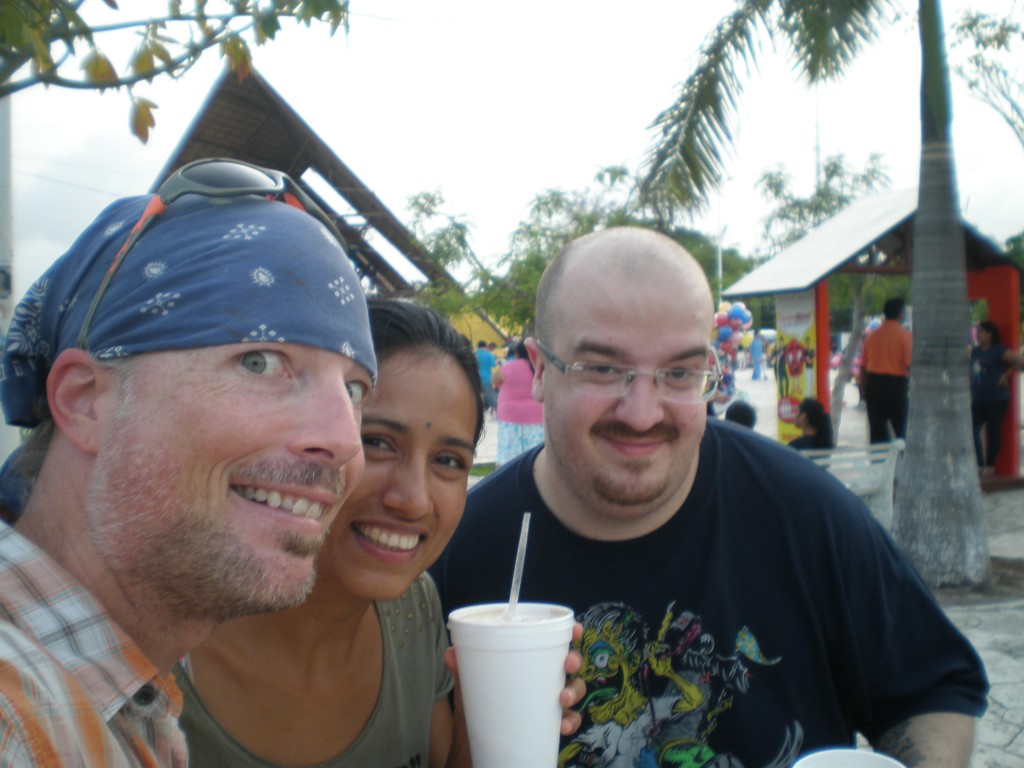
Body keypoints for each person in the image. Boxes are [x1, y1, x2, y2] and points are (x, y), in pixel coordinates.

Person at [431, 227, 987, 768]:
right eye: (602, 368)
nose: (642, 413)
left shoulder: (803, 513)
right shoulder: (458, 546)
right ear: (540, 370)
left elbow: (931, 688)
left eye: (679, 372)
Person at [0, 159, 377, 765]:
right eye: (261, 362)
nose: (344, 440)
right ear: (84, 401)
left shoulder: (120, 697)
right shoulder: (15, 726)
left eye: (355, 390)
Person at [175, 298, 584, 768]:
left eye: (448, 461)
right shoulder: (157, 661)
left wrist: (489, 727)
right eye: (376, 442)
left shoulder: (413, 610)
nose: (413, 500)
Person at [970, 320, 1023, 476]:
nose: (977, 335)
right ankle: (979, 464)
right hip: (978, 398)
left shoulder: (998, 350)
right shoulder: (975, 351)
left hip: (996, 398)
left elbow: (1020, 360)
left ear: (989, 334)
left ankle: (990, 466)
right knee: (973, 430)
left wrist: (1006, 374)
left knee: (994, 431)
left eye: (981, 332)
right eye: (977, 332)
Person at [861, 298, 912, 443]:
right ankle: (902, 463)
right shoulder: (905, 336)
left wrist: (865, 391)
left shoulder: (871, 336)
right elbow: (909, 365)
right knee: (902, 432)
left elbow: (863, 368)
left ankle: (879, 463)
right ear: (901, 314)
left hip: (873, 384)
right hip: (895, 385)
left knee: (877, 433)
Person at [492, 339, 545, 466]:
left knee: (508, 455)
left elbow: (494, 380)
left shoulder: (510, 366)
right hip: (536, 416)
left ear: (517, 353)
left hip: (510, 417)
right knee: (534, 455)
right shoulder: (540, 368)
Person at [475, 340, 498, 414]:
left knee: (476, 395)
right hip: (486, 378)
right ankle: (496, 409)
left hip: (475, 377)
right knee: (490, 395)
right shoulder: (489, 354)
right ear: (485, 346)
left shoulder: (474, 353)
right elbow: (493, 365)